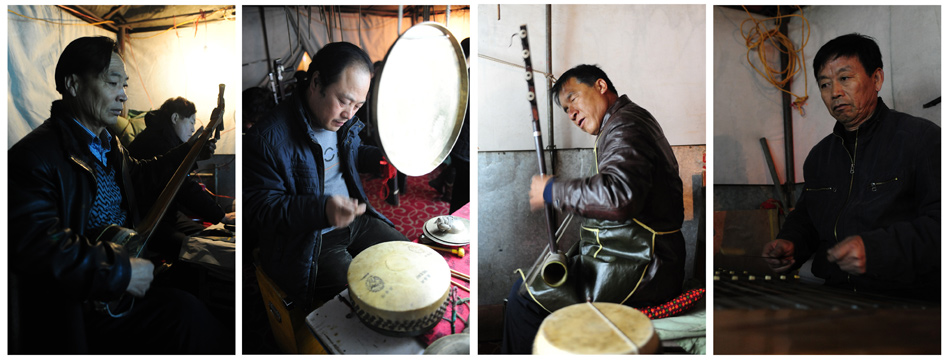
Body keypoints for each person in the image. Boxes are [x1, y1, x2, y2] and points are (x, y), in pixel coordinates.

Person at [8, 36, 229, 354]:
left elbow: (142, 176)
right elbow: (37, 246)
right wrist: (119, 270)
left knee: (197, 288)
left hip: (122, 284)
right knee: (186, 316)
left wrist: (192, 149)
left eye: (124, 84)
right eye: (113, 83)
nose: (124, 95)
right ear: (72, 84)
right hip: (84, 308)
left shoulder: (108, 144)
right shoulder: (33, 157)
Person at [502, 64, 687, 353]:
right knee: (544, 278)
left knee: (525, 298)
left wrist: (552, 189)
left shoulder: (626, 126)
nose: (571, 114)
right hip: (631, 255)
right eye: (565, 110)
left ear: (601, 86)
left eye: (573, 99)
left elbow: (619, 196)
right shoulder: (624, 122)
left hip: (645, 266)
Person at [762, 33, 940, 301]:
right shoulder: (820, 156)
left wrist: (877, 249)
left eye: (845, 78)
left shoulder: (921, 139)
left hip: (906, 300)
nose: (834, 92)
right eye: (824, 84)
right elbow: (808, 217)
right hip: (836, 297)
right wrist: (791, 244)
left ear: (877, 79)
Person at [244, 42, 407, 310]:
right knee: (368, 294)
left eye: (358, 105)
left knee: (407, 257)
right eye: (343, 101)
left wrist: (379, 158)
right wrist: (322, 208)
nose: (349, 113)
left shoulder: (341, 120)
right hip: (307, 240)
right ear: (316, 82)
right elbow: (261, 209)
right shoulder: (265, 139)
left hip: (353, 220)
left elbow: (351, 153)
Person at [128, 97, 235, 260]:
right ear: (175, 118)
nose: (193, 129)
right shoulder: (155, 143)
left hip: (164, 214)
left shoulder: (164, 139)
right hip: (146, 221)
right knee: (205, 249)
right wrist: (221, 215)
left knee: (212, 233)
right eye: (191, 122)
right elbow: (183, 186)